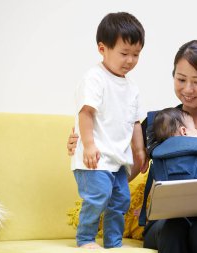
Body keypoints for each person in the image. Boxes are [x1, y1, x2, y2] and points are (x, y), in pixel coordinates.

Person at [68, 39, 197, 253]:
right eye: (181, 79)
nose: (188, 89)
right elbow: (124, 167)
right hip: (169, 221)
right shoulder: (157, 125)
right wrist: (89, 147)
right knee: (173, 229)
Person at [71, 12, 148, 249]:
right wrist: (89, 144)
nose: (130, 60)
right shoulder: (95, 78)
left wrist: (139, 150)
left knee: (120, 200)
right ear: (102, 48)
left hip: (117, 161)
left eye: (136, 54)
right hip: (93, 159)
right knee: (98, 197)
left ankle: (113, 241)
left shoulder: (131, 88)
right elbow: (86, 113)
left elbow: (135, 122)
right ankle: (85, 239)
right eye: (124, 53)